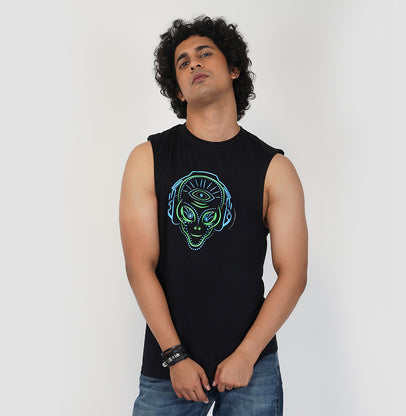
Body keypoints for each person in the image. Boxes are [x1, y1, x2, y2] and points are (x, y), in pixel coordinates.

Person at [119, 15, 308, 416]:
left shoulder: (275, 169)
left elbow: (293, 274)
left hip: (252, 366)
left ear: (233, 68)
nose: (194, 63)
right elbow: (139, 266)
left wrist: (247, 355)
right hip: (168, 365)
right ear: (178, 89)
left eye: (204, 54)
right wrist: (174, 355)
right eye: (183, 62)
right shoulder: (147, 159)